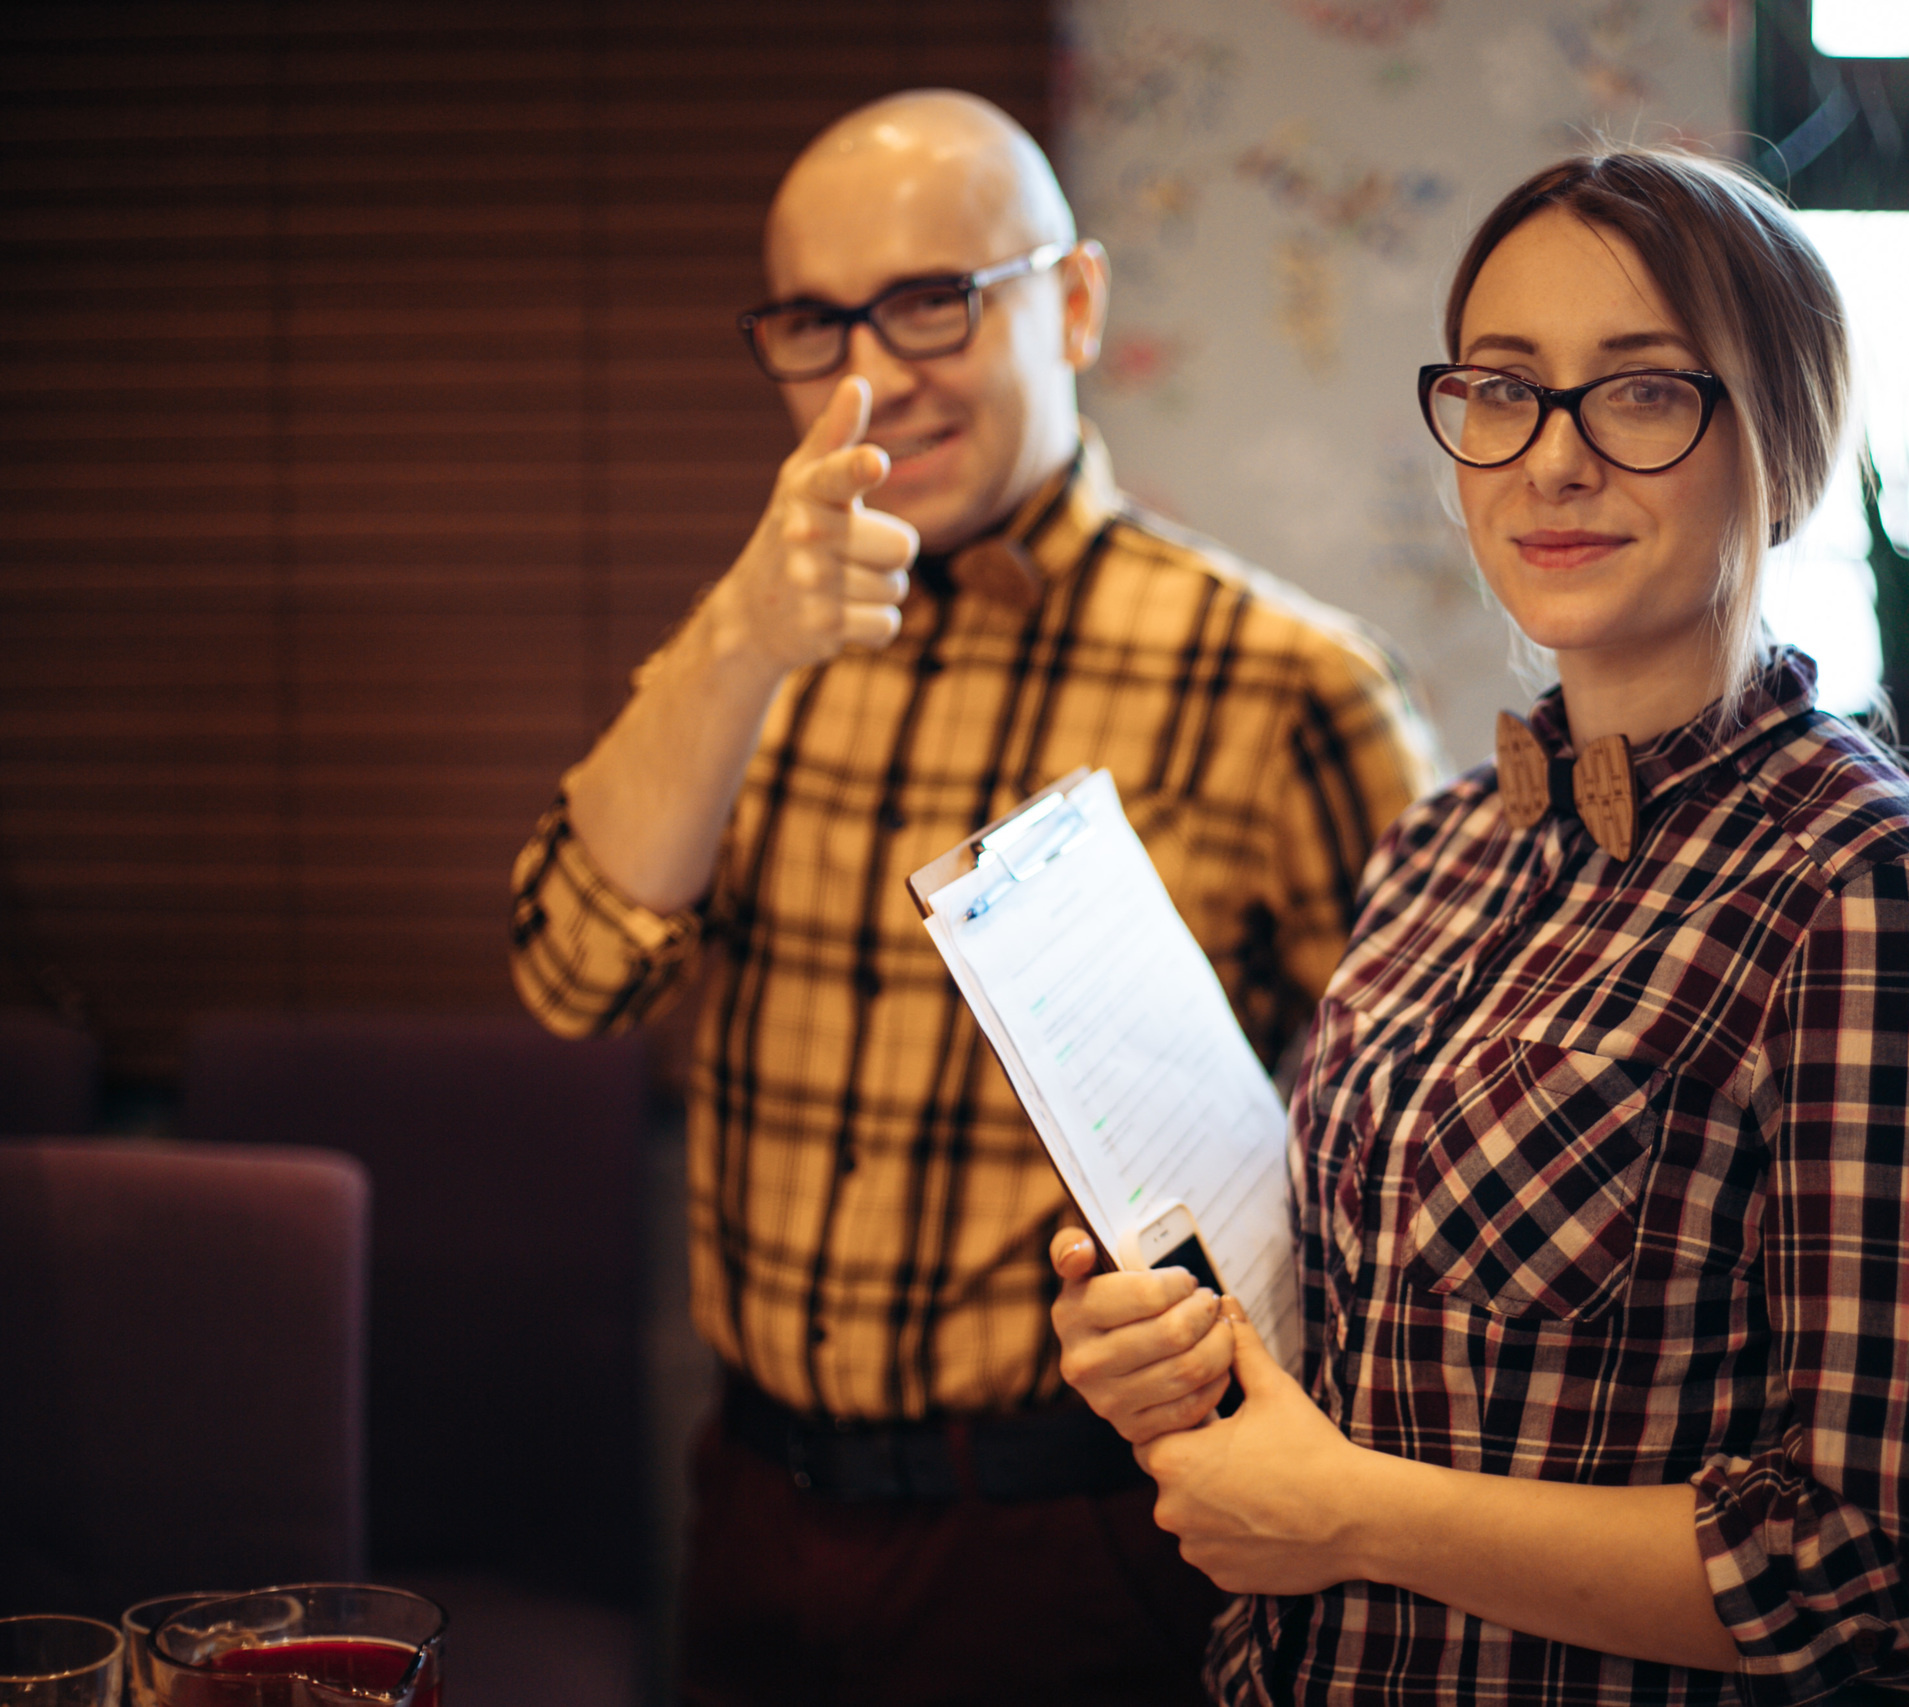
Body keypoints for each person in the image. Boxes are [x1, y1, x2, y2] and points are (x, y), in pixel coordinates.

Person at [1051, 148, 1909, 1705]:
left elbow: (1890, 1572)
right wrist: (1181, 1360)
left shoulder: (1865, 891)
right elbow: (1362, 1340)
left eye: (1645, 393)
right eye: (1503, 390)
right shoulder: (1443, 845)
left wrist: (1354, 1516)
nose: (1552, 462)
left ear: (1782, 449)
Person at [508, 90, 1437, 1707]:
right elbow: (571, 976)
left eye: (936, 299)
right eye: (816, 323)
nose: (875, 374)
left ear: (1073, 302)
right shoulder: (752, 650)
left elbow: (1418, 1170)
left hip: (1086, 1541)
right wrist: (736, 635)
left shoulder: (1288, 684)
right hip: (752, 1503)